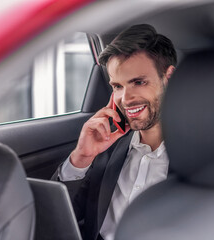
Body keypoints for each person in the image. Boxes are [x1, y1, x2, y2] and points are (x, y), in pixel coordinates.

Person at [52, 24, 177, 240]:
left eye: (138, 82)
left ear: (169, 78)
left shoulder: (200, 156)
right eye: (117, 86)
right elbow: (57, 218)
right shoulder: (106, 147)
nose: (126, 99)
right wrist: (81, 158)